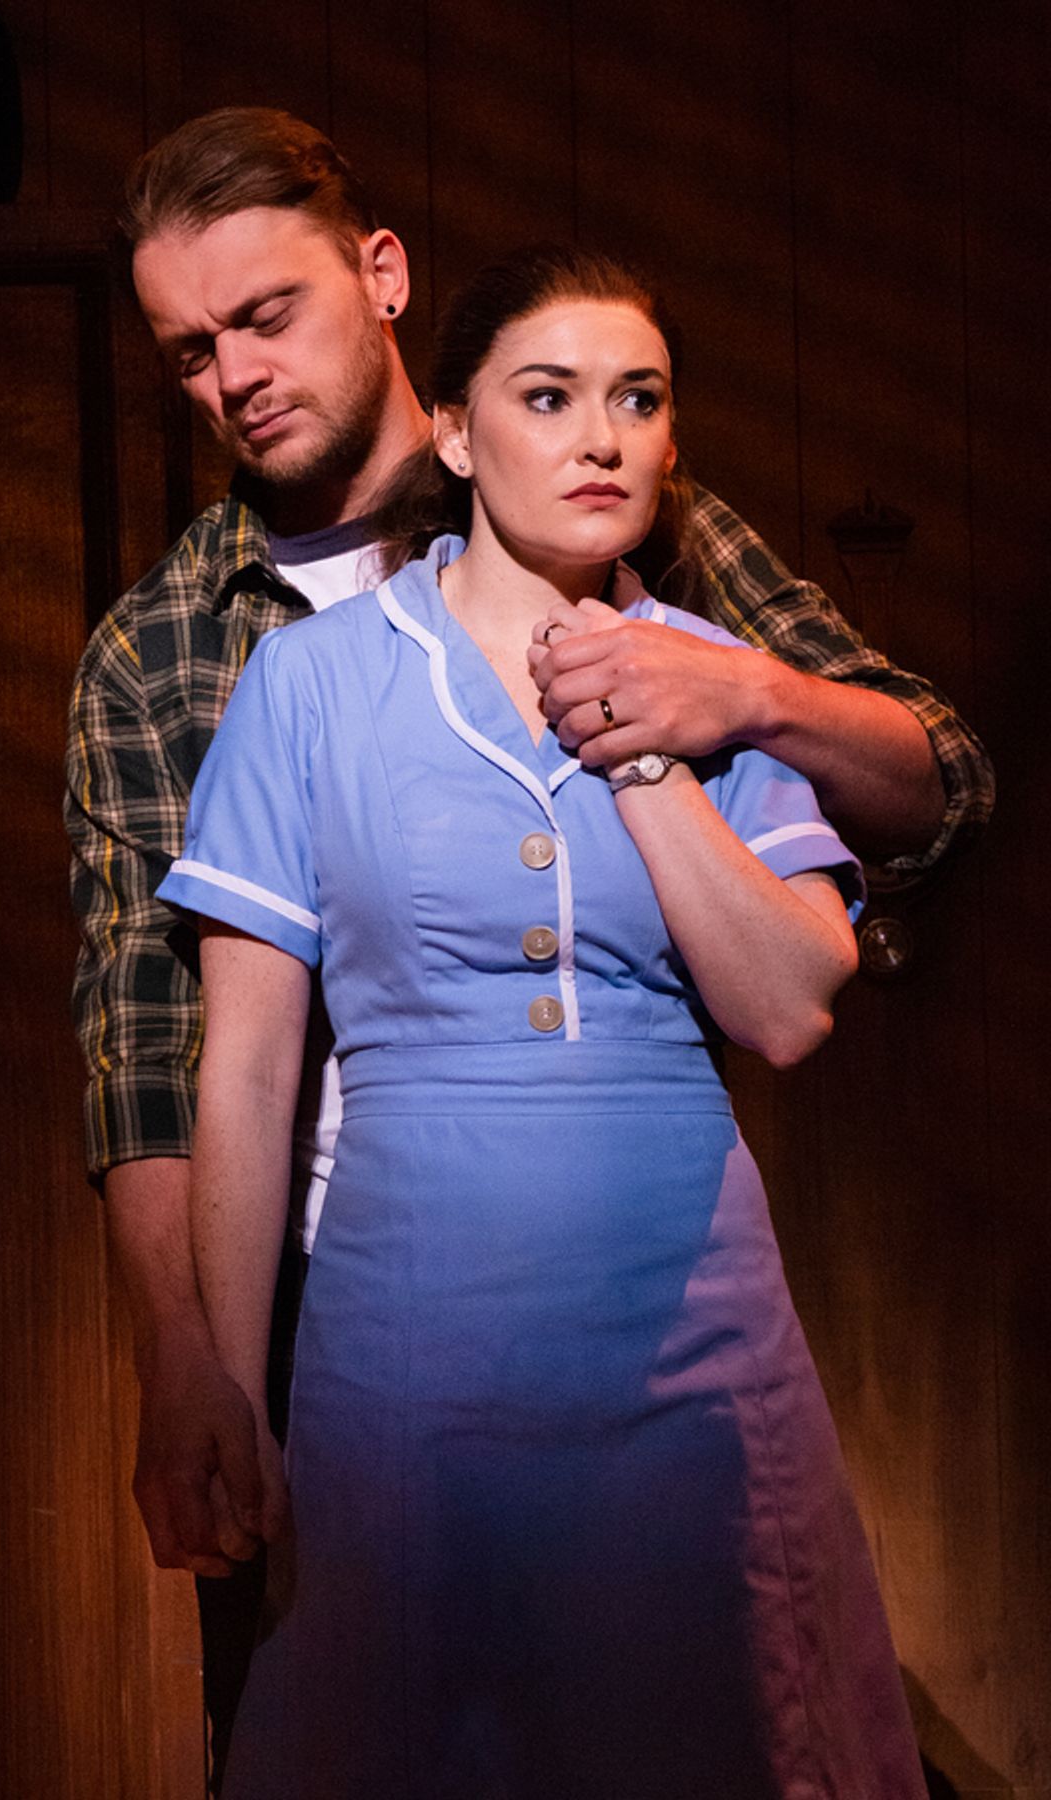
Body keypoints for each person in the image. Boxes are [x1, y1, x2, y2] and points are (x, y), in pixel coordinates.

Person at [64, 108, 992, 1793]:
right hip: (323, 1309)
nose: (233, 376)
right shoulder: (172, 648)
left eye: (266, 314)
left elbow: (931, 777)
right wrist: (186, 1359)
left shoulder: (611, 501)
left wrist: (732, 704)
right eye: (188, 351)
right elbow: (158, 1044)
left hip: (648, 1275)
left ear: (383, 277)